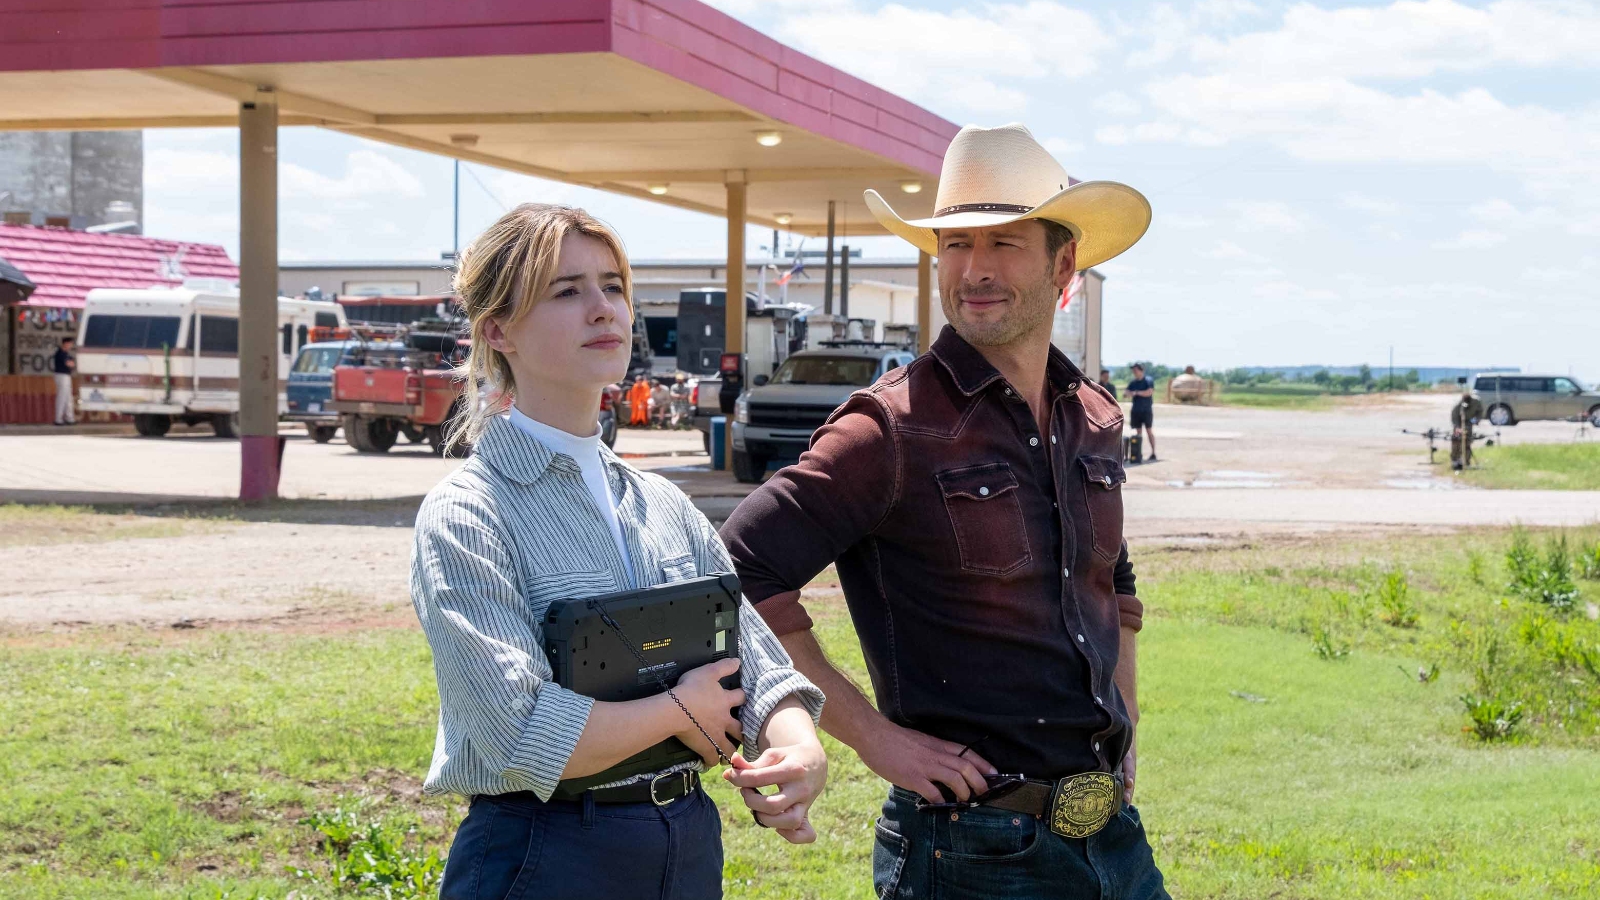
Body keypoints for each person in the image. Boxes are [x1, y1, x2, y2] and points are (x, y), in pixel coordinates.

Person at [721, 124, 1167, 899]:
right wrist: (875, 740)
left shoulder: (1091, 415)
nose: (975, 269)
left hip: (1112, 838)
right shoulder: (888, 428)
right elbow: (735, 572)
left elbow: (1112, 581)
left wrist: (1123, 717)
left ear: (1064, 265)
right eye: (956, 244)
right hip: (969, 852)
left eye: (1004, 243)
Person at [413, 204, 827, 900]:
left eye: (613, 285)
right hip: (545, 853)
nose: (604, 310)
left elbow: (758, 665)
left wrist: (799, 747)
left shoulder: (662, 502)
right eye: (566, 290)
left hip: (687, 841)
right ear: (497, 330)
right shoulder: (467, 514)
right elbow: (519, 734)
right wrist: (678, 709)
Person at [1126, 363, 1156, 462]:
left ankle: (1153, 452)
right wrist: (1131, 393)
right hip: (1136, 410)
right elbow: (1126, 393)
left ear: (1141, 370)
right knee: (1138, 433)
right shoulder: (1133, 383)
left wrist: (1136, 393)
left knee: (1149, 431)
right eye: (1133, 371)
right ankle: (1139, 453)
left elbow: (1149, 392)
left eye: (1136, 370)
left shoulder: (1148, 380)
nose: (1134, 372)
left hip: (1146, 410)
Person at [1450, 389, 1484, 470]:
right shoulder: (1458, 406)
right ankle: (1455, 460)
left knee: (1467, 442)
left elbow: (1480, 411)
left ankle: (1466, 461)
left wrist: (1476, 420)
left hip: (1469, 423)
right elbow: (1454, 417)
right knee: (1456, 441)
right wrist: (1457, 427)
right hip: (1459, 423)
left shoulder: (1476, 402)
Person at [52, 336, 76, 425]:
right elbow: (69, 364)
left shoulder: (66, 354)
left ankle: (69, 417)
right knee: (62, 397)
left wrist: (71, 363)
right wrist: (70, 363)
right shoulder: (60, 353)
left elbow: (72, 363)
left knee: (68, 397)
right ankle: (58, 418)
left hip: (67, 375)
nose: (70, 346)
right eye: (70, 344)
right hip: (61, 375)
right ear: (65, 343)